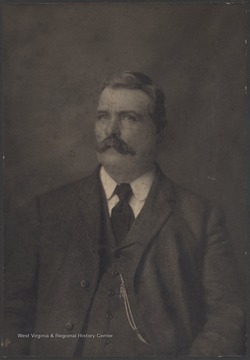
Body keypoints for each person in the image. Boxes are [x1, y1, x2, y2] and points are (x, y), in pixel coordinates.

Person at [4, 71, 245, 357]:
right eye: (103, 116)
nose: (111, 130)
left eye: (129, 118)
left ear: (160, 131)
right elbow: (9, 312)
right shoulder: (46, 211)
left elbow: (228, 318)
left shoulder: (201, 217)